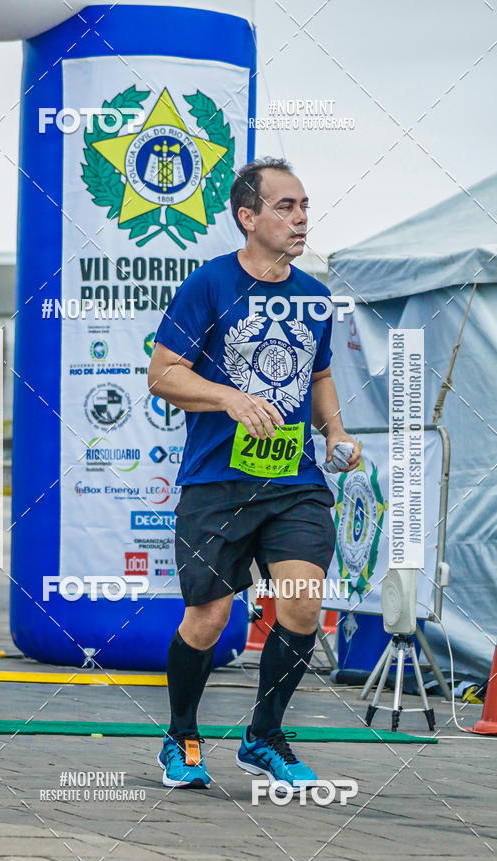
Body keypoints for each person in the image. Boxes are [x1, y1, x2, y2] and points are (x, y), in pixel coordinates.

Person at [147, 157, 361, 793]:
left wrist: (335, 432)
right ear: (247, 217)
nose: (300, 218)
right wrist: (230, 398)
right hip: (217, 481)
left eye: (304, 206)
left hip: (293, 481)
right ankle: (182, 735)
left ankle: (264, 737)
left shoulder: (315, 296)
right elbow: (163, 374)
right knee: (208, 619)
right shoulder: (210, 284)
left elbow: (320, 375)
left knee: (302, 602)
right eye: (285, 207)